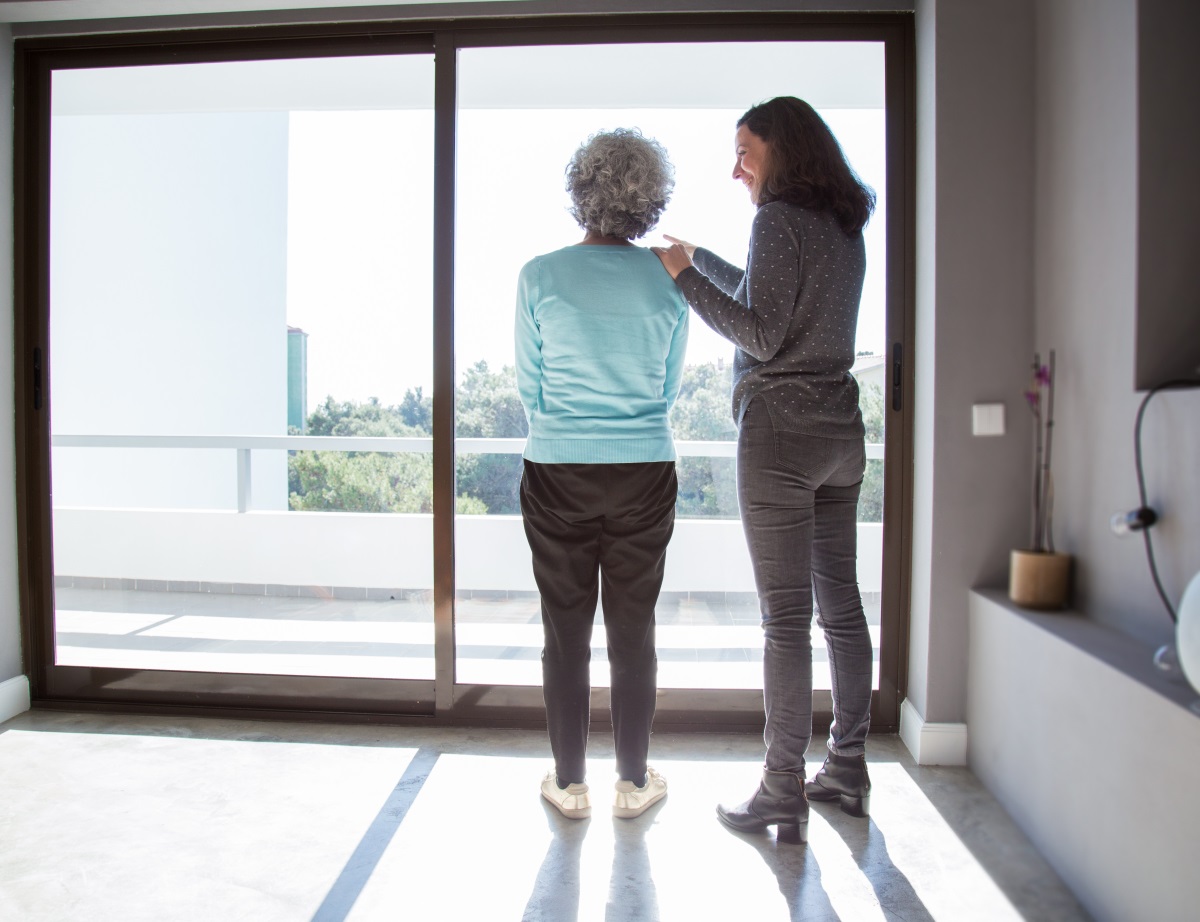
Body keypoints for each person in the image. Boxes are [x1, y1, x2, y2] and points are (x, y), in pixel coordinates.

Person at [652, 97, 875, 844]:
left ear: (783, 148)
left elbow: (759, 329)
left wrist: (684, 279)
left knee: (786, 621)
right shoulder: (843, 226)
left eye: (746, 149)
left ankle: (782, 788)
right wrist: (696, 257)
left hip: (781, 432)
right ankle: (846, 766)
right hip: (842, 429)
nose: (736, 166)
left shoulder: (778, 221)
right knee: (839, 607)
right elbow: (764, 290)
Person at [516, 128, 689, 821]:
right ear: (650, 200)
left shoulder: (539, 275)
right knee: (633, 629)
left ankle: (568, 784)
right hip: (645, 467)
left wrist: (569, 427)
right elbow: (669, 387)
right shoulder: (670, 280)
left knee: (565, 630)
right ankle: (633, 781)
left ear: (581, 191)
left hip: (557, 466)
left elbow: (533, 388)